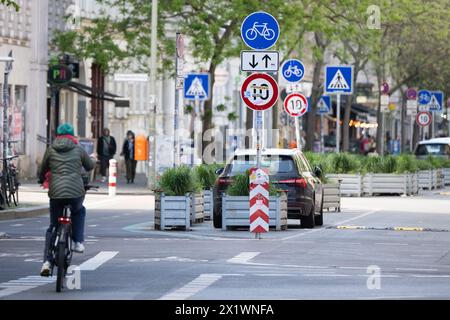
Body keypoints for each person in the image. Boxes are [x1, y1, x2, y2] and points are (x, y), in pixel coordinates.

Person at [38, 123, 97, 277]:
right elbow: (89, 166)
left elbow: (43, 169)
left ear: (57, 135)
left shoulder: (51, 150)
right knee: (79, 211)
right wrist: (93, 159)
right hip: (76, 192)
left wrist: (41, 180)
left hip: (56, 192)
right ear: (73, 135)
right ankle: (78, 242)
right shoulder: (78, 149)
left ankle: (47, 261)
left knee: (53, 225)